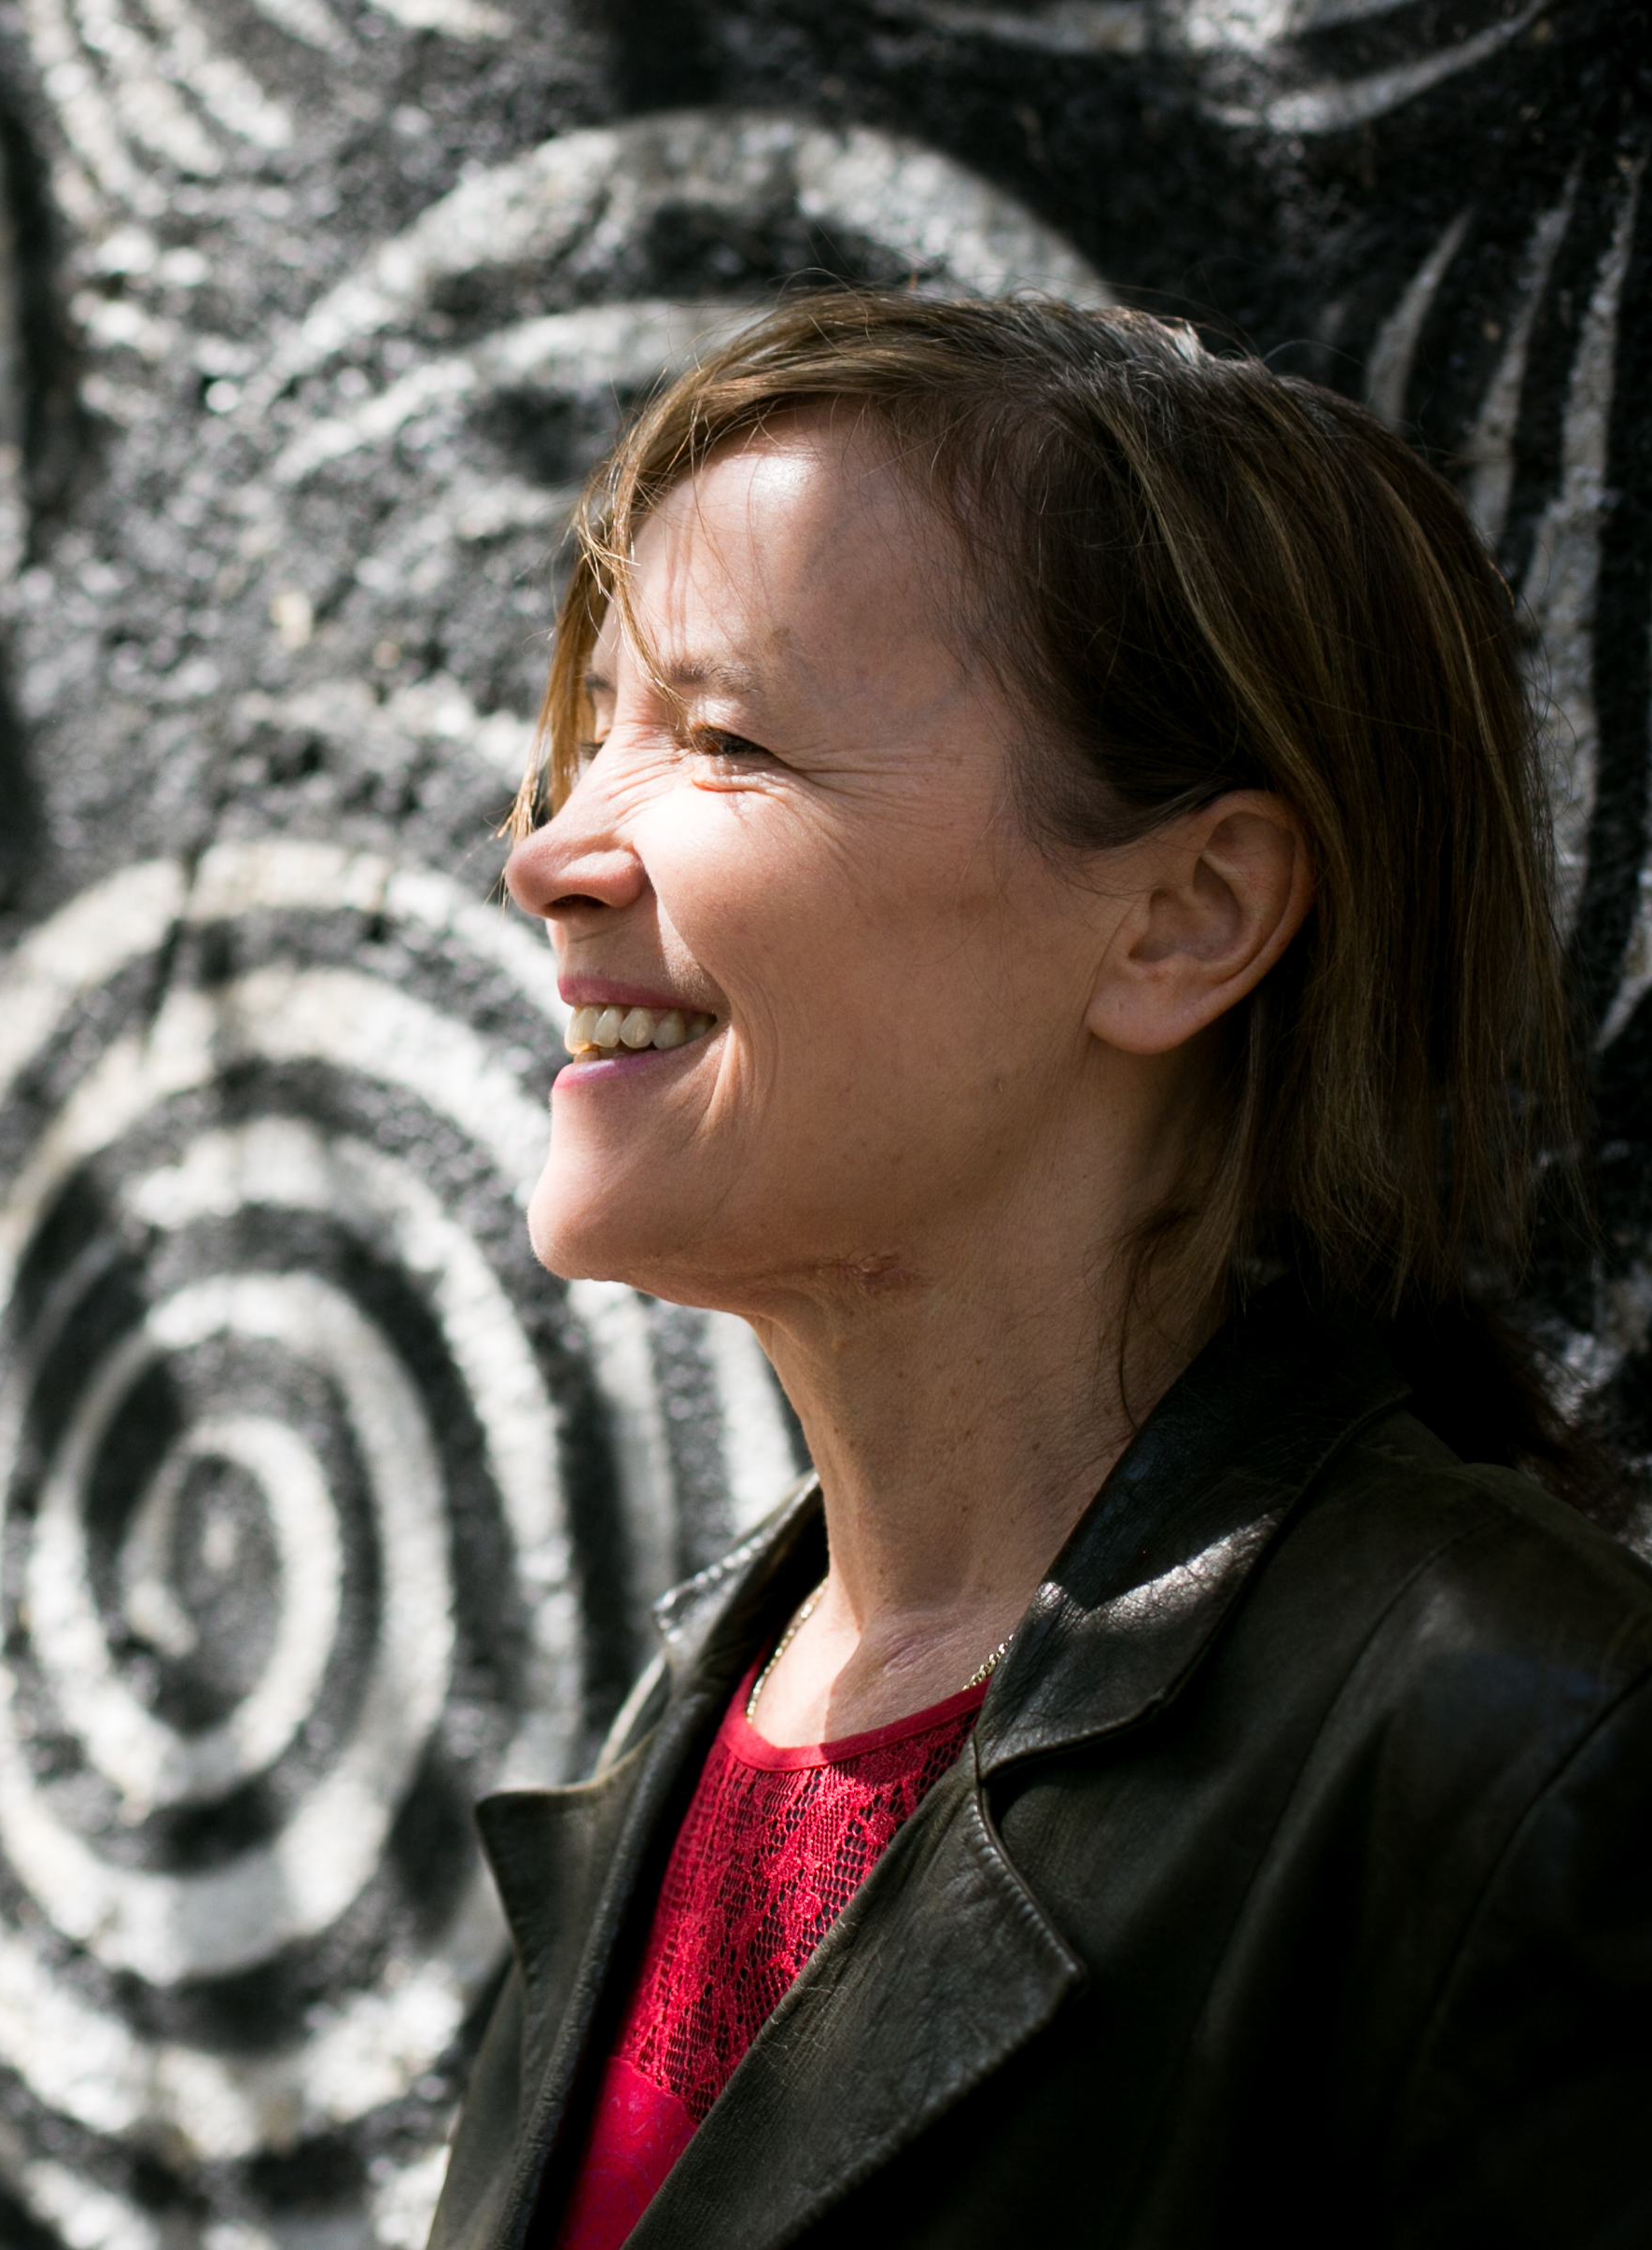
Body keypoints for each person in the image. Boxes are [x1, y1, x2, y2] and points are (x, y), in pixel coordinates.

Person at [428, 289, 1652, 2249]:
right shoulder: (701, 1709)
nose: (549, 852)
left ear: (1184, 917)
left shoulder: (1519, 1750)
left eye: (724, 740)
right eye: (586, 745)